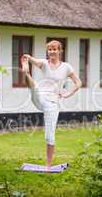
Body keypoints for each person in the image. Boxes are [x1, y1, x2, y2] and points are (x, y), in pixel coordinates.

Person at [21, 40, 82, 171]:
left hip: (53, 102)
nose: (52, 52)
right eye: (50, 49)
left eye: (55, 49)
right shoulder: (44, 63)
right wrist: (28, 58)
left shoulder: (66, 67)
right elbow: (36, 61)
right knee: (34, 87)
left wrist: (67, 94)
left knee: (49, 136)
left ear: (60, 51)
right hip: (41, 96)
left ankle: (48, 166)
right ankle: (26, 72)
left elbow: (78, 83)